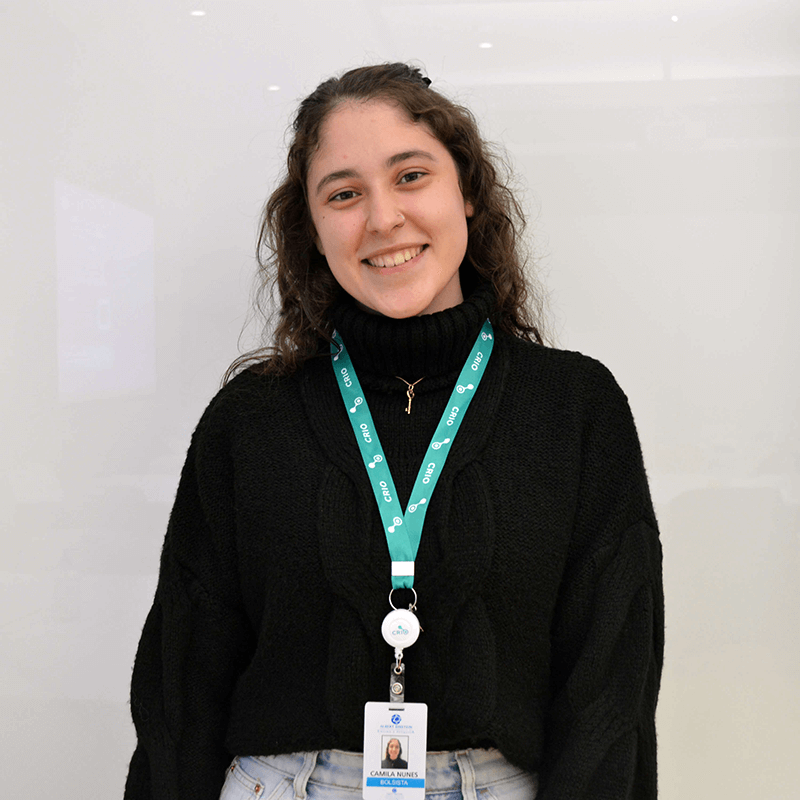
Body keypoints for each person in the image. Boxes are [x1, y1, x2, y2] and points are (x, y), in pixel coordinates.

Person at [124, 63, 663, 800]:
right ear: (312, 230)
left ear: (466, 192)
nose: (381, 219)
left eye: (410, 176)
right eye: (344, 194)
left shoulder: (575, 408)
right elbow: (180, 693)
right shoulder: (248, 420)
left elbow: (611, 688)